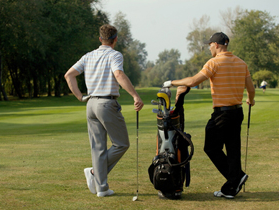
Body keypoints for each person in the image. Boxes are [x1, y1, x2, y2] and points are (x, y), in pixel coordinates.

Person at [163, 32, 255, 199]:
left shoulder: (214, 63)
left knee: (211, 147)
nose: (209, 48)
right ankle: (231, 187)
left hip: (222, 114)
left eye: (210, 45)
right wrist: (251, 99)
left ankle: (236, 178)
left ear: (217, 45)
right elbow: (251, 89)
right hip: (237, 112)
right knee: (233, 149)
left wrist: (172, 83)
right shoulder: (242, 63)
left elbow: (192, 81)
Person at [65, 24, 144, 197]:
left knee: (98, 147)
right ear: (115, 39)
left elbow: (69, 75)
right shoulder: (115, 55)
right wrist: (135, 96)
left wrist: (80, 97)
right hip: (107, 104)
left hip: (91, 104)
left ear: (100, 39)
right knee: (122, 144)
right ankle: (95, 172)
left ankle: (102, 188)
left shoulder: (88, 56)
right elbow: (119, 75)